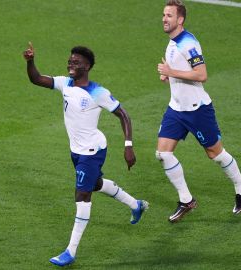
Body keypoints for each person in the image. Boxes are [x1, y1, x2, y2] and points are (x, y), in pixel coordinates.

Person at [23, 42, 149, 266]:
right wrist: (30, 61)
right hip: (76, 152)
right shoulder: (65, 83)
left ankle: (70, 252)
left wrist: (128, 145)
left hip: (92, 151)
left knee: (82, 196)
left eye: (76, 61)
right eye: (70, 60)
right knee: (96, 184)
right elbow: (36, 79)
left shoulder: (98, 92)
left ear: (87, 66)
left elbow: (123, 115)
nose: (71, 63)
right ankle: (135, 205)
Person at [156, 0, 241, 223]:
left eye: (169, 15)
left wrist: (172, 71)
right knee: (163, 153)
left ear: (180, 19)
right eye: (163, 15)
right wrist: (169, 75)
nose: (164, 19)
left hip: (197, 110)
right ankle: (186, 200)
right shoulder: (172, 43)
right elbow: (182, 71)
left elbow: (201, 74)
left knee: (215, 154)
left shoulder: (188, 43)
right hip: (176, 108)